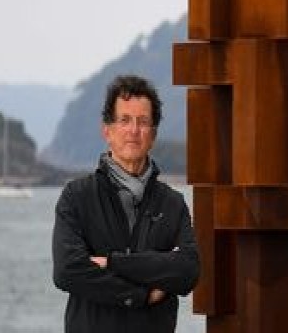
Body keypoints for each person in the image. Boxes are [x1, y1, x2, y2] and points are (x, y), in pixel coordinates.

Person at [52, 74, 200, 332]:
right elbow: (68, 270)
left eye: (143, 122)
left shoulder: (172, 203)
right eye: (125, 120)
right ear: (107, 131)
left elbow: (187, 270)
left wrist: (113, 263)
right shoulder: (77, 196)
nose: (134, 130)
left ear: (153, 135)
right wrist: (141, 295)